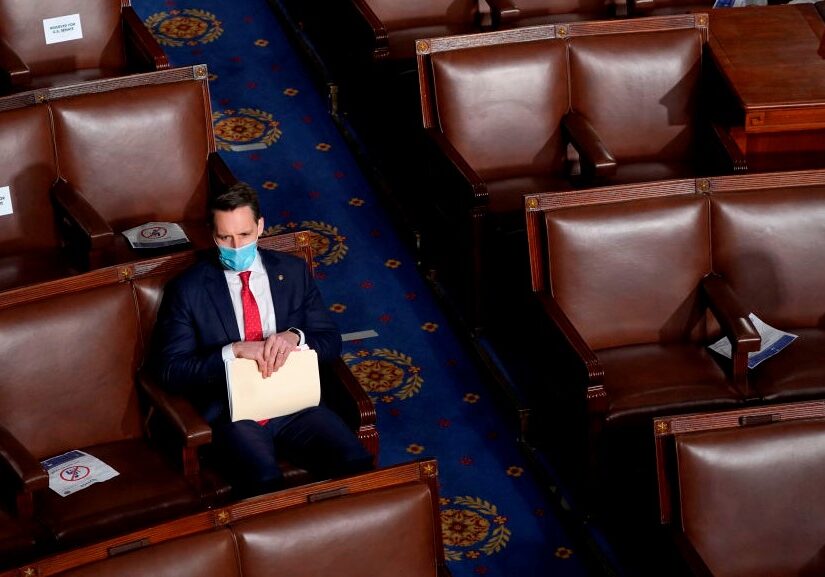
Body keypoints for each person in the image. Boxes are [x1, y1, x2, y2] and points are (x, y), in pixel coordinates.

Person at [153, 182, 373, 497]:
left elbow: (330, 341)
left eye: (244, 235)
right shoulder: (188, 290)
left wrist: (295, 337)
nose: (236, 246)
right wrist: (232, 351)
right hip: (235, 413)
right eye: (224, 237)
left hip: (296, 404)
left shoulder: (293, 272)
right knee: (264, 481)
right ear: (210, 234)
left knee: (355, 464)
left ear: (260, 227)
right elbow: (172, 372)